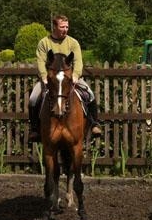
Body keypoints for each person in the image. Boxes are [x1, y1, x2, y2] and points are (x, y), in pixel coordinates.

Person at [29, 14, 101, 142]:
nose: (65, 29)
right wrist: (44, 78)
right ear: (54, 27)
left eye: (67, 27)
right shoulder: (44, 43)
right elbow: (40, 62)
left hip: (69, 78)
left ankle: (95, 124)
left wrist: (75, 75)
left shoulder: (73, 42)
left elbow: (78, 61)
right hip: (50, 79)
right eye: (62, 27)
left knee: (89, 94)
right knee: (33, 98)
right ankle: (34, 129)